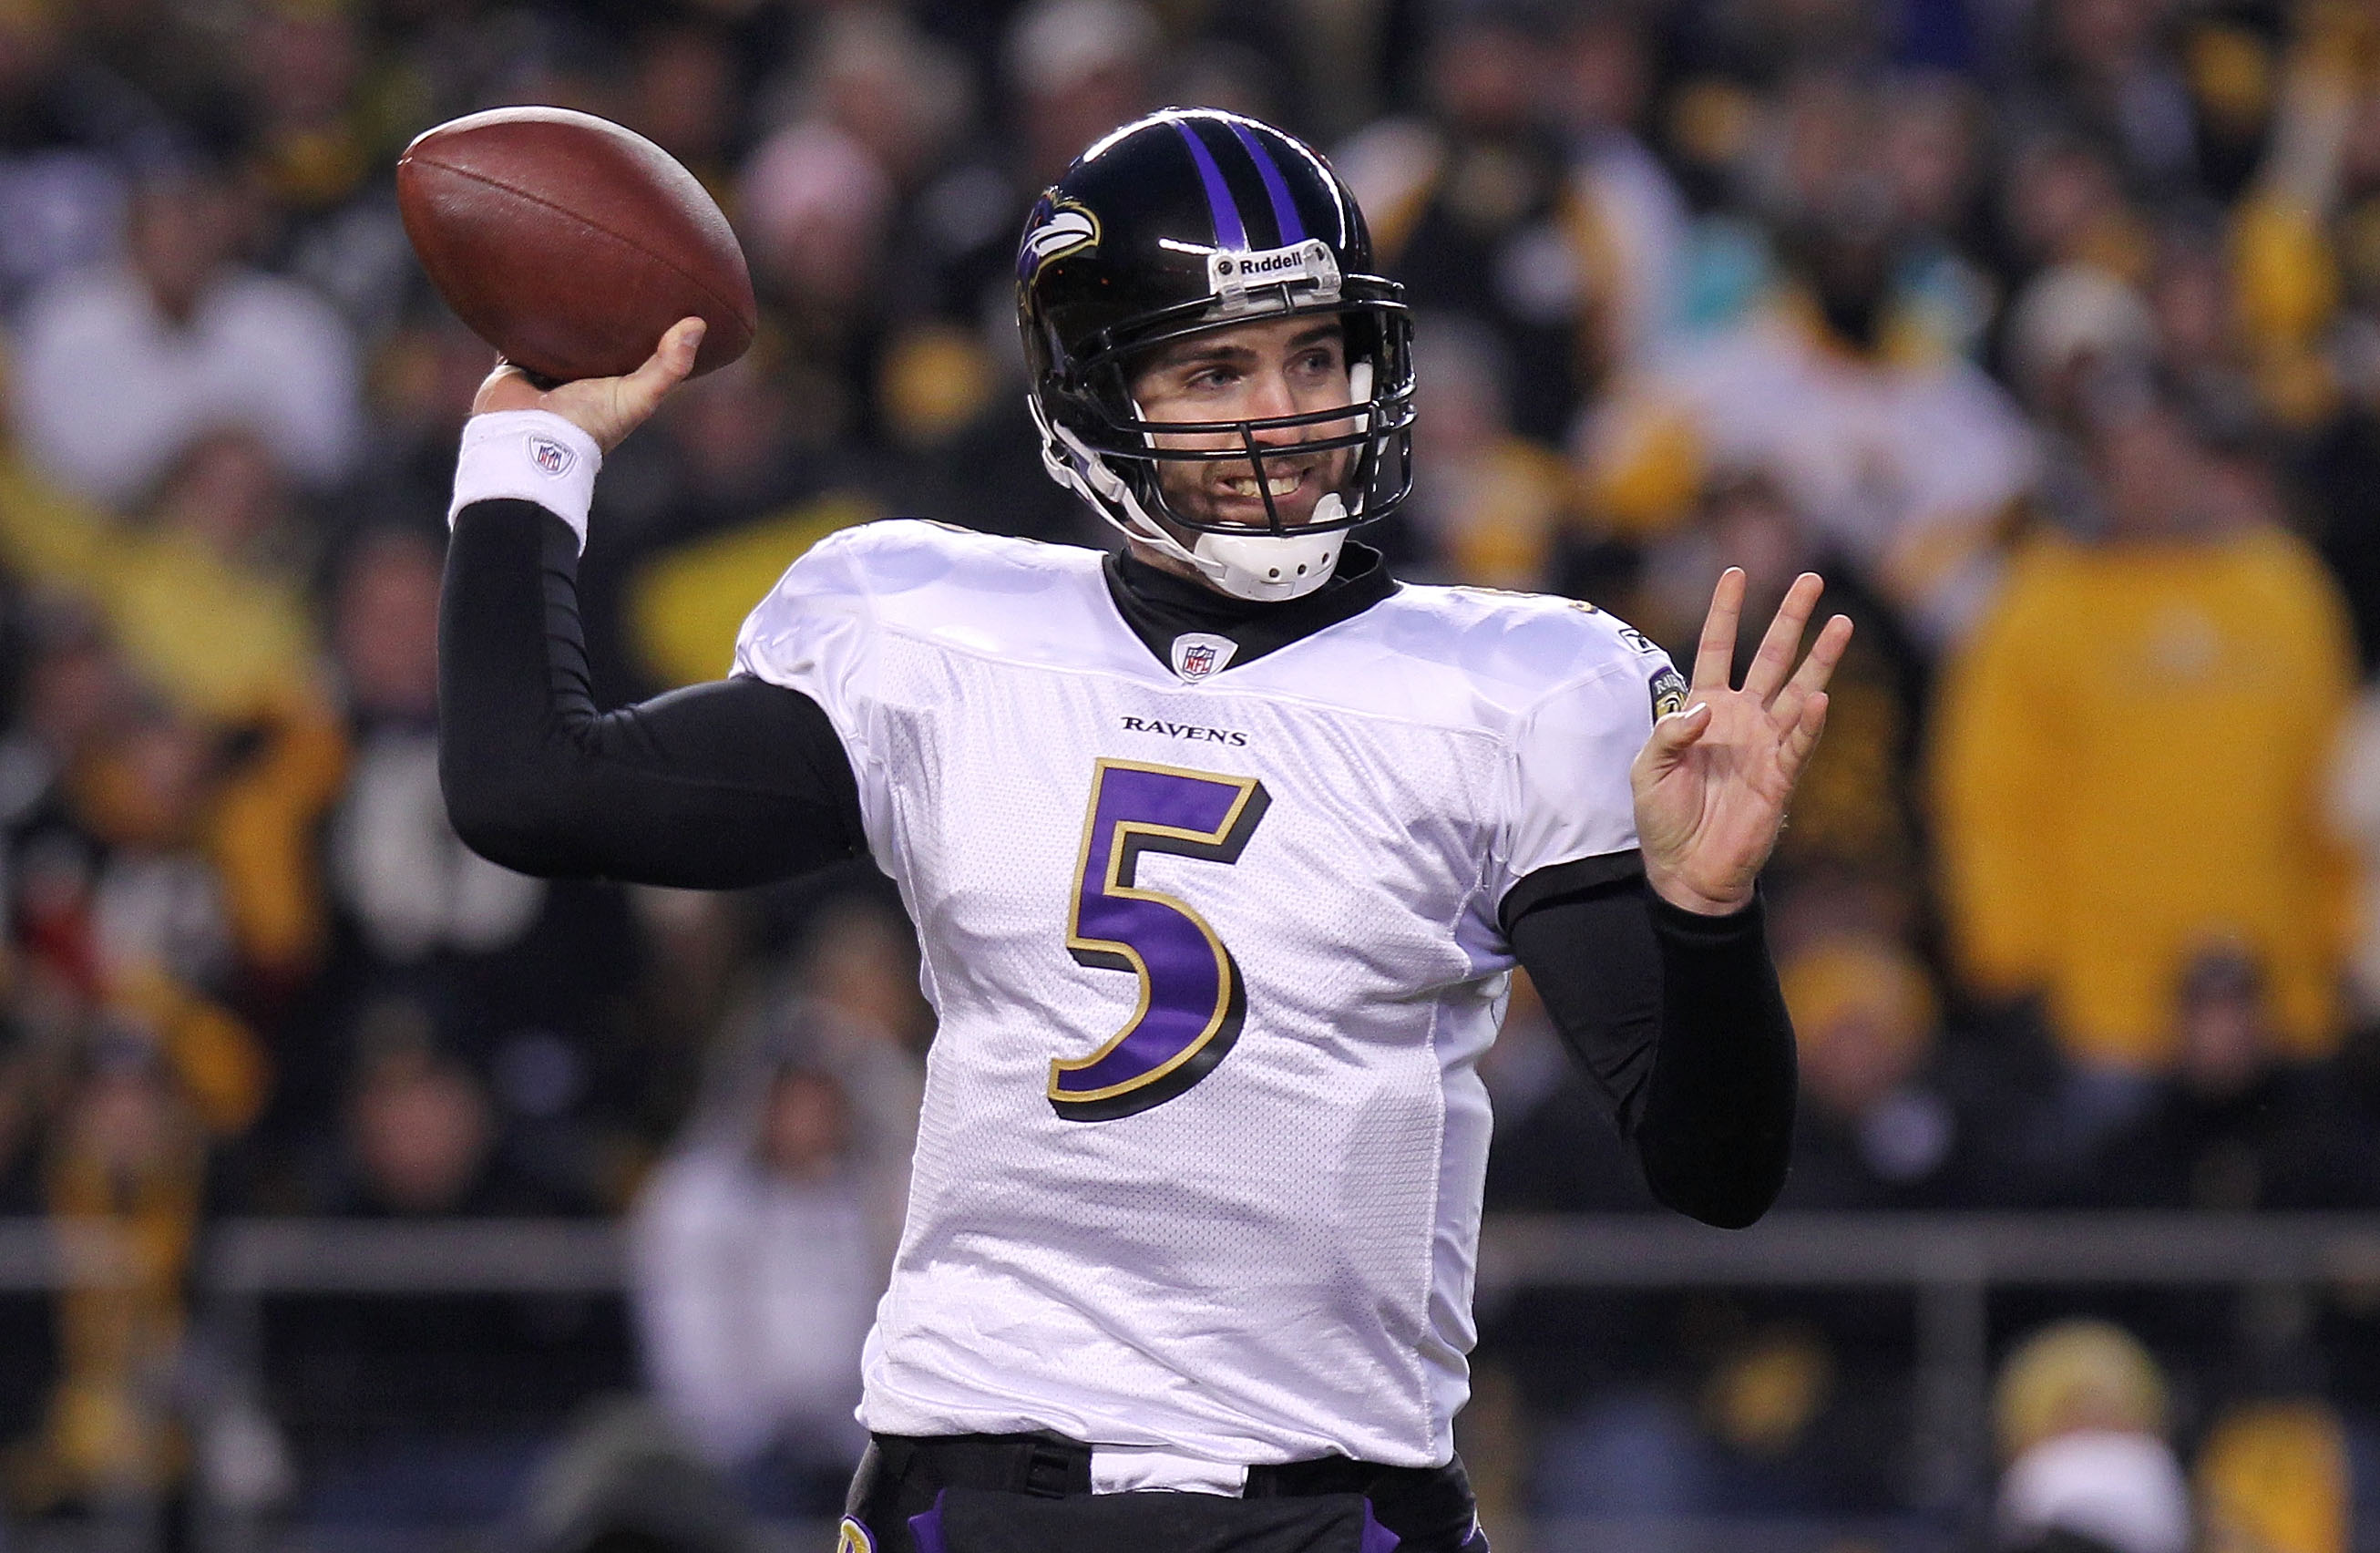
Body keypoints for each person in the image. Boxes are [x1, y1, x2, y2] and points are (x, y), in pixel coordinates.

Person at [436, 109, 1847, 1553]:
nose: (1284, 413)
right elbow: (528, 791)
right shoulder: (934, 635)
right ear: (1100, 397)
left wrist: (1710, 918)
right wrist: (530, 454)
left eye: (1315, 354)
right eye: (1215, 368)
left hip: (1322, 1498)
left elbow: (1717, 1172)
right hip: (972, 1485)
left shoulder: (1525, 690)